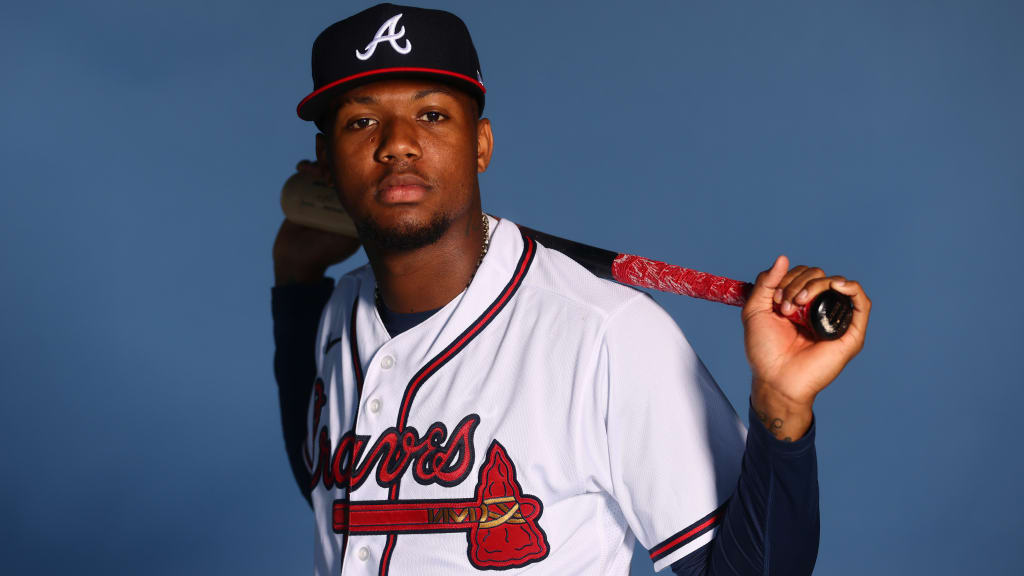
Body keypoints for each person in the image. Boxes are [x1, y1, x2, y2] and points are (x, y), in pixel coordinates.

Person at [272, 4, 871, 575]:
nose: (397, 143)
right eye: (362, 122)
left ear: (480, 145)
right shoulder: (342, 310)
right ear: (326, 159)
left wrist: (782, 407)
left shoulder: (606, 333)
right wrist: (296, 285)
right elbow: (339, 501)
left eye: (431, 115)